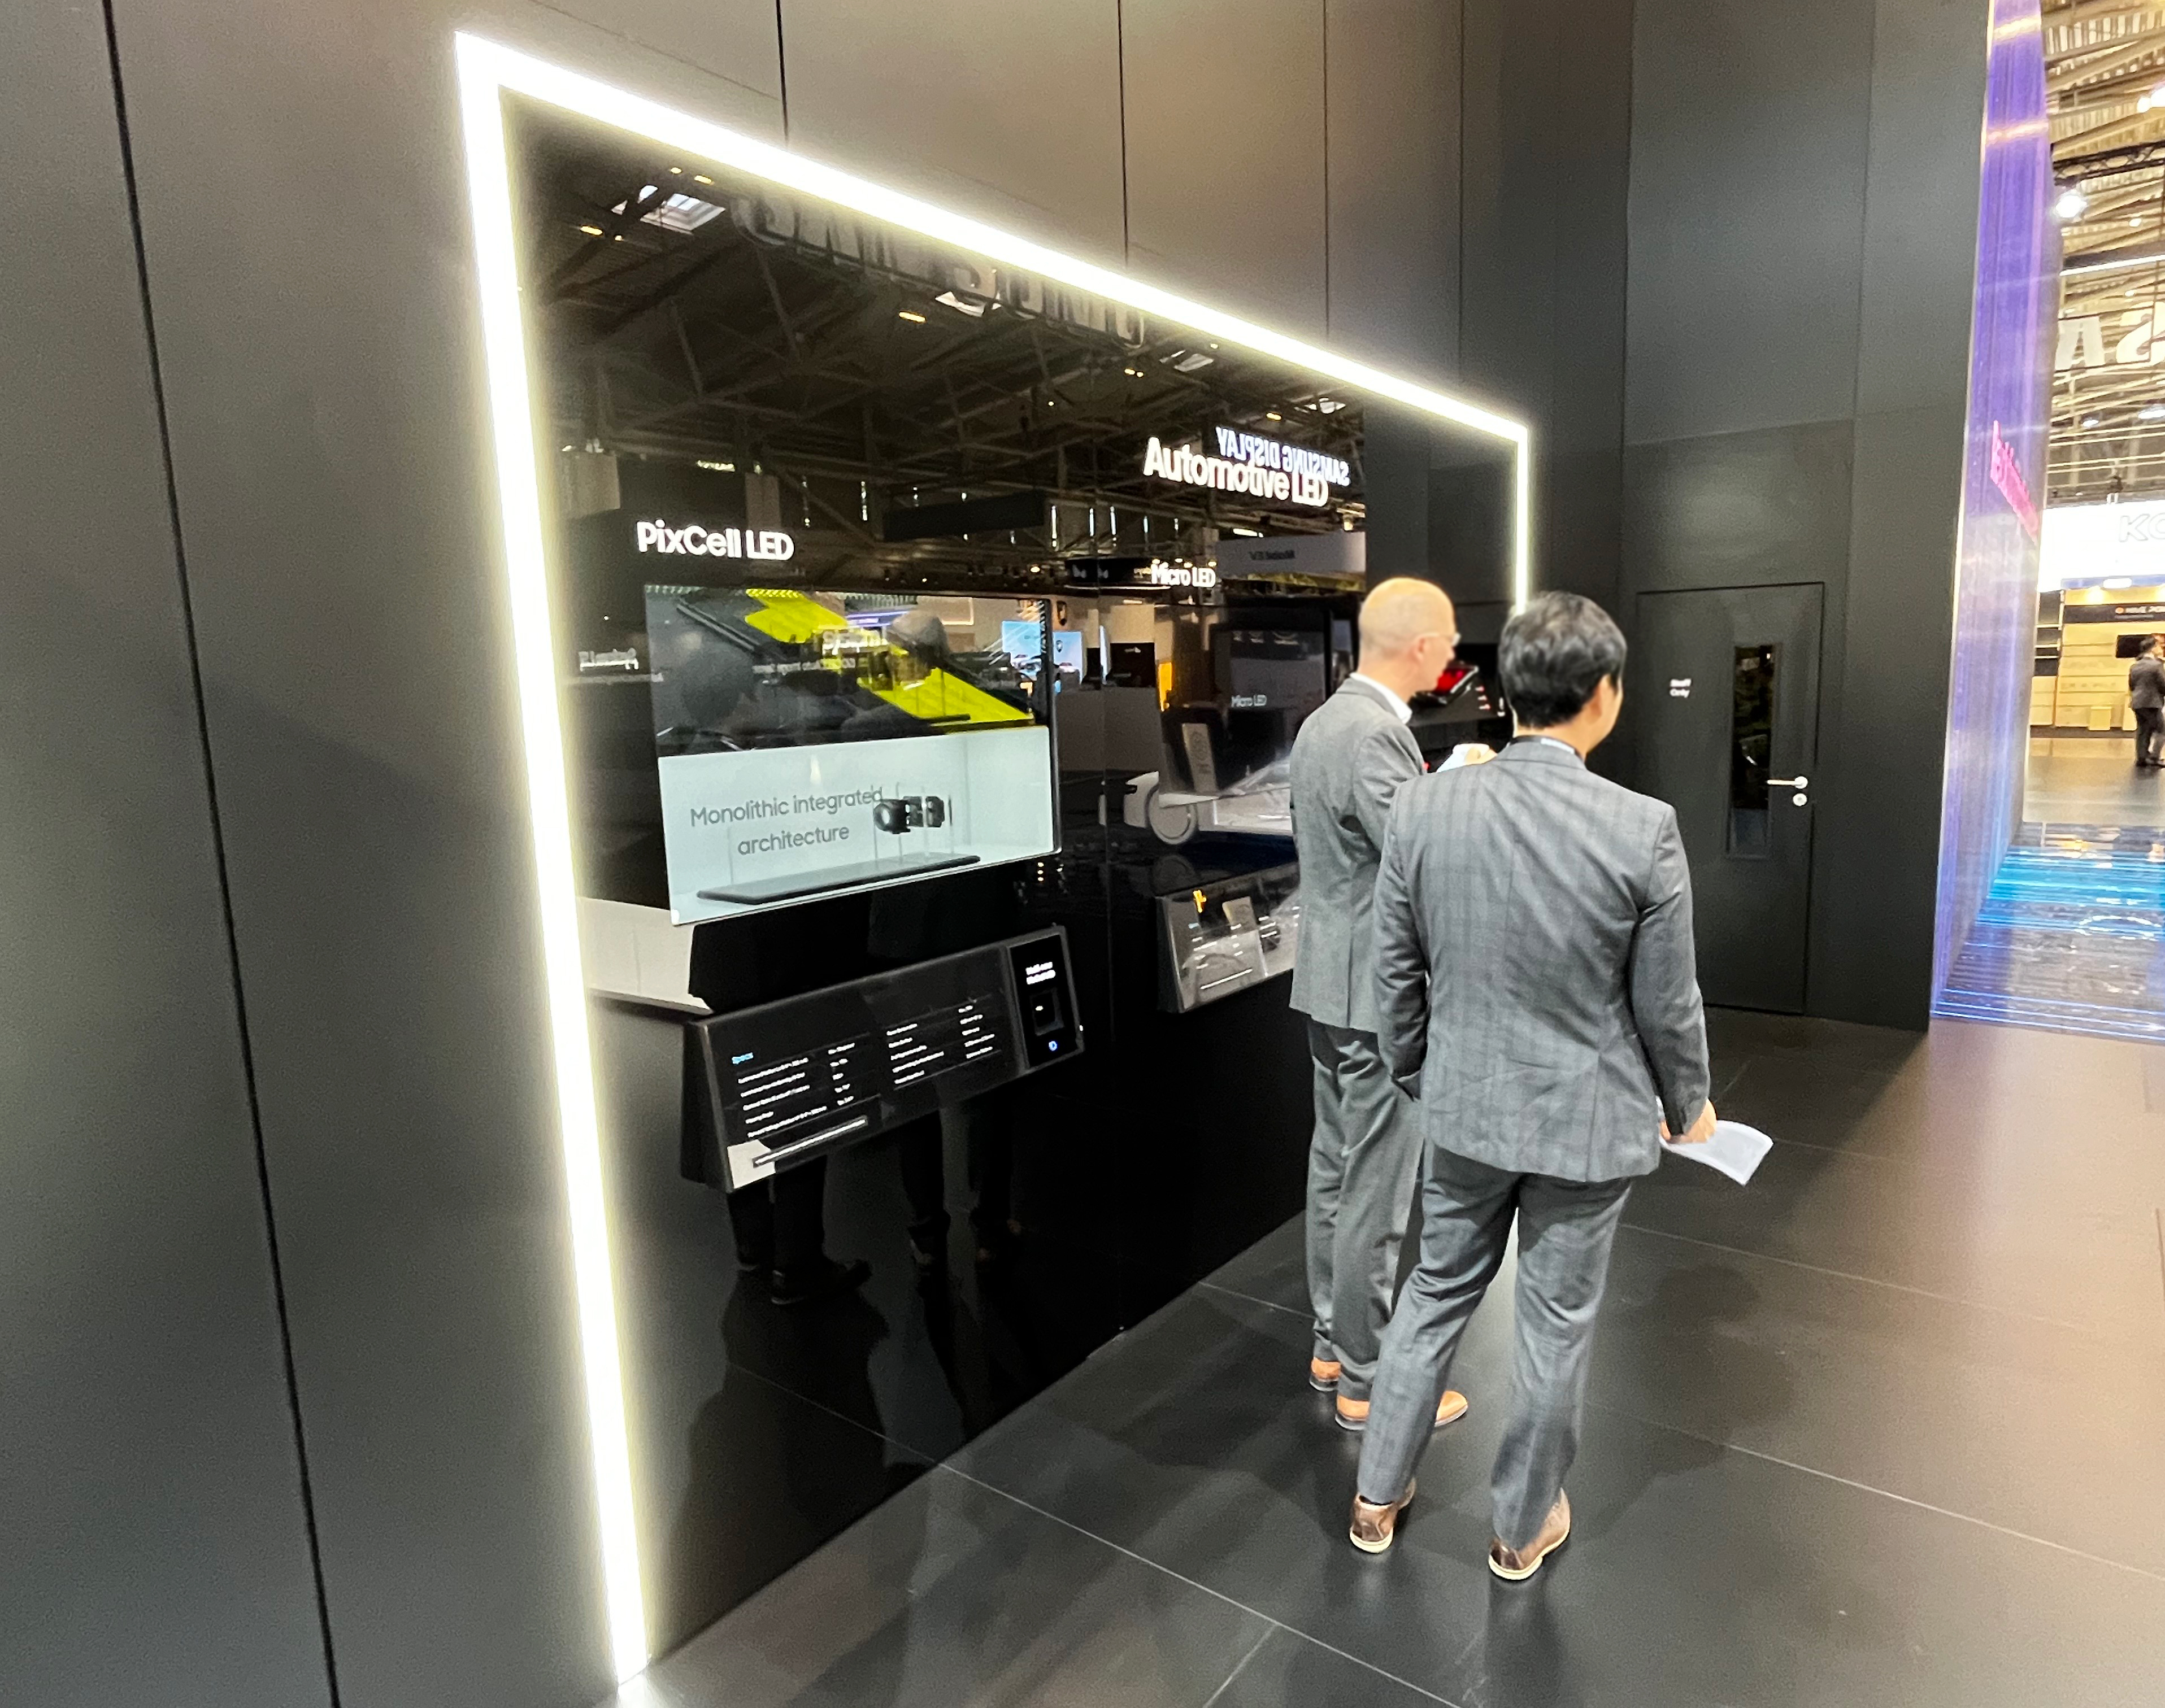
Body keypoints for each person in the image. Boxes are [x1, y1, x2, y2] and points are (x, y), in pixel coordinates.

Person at [1347, 590, 1715, 1580]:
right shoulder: (1642, 827)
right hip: (1585, 1127)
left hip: (1462, 1108)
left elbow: (1395, 972)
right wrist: (1688, 1104)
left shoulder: (1424, 805)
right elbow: (1667, 1001)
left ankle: (1375, 1497)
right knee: (1555, 1327)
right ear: (1604, 695)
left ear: (1508, 691)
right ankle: (1518, 1528)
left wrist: (1420, 1072)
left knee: (1431, 1293)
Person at [1289, 576, 1475, 1433]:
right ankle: (1368, 1379)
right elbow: (1421, 857)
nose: (1455, 657)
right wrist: (1463, 786)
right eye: (1448, 641)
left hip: (1331, 983)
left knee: (1336, 1168)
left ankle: (1334, 1348)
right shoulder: (1372, 735)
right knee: (1377, 1189)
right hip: (1376, 999)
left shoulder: (1325, 723)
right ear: (1420, 646)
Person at [2132, 635, 2165, 769]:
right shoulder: (2157, 665)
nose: (2161, 650)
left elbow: (2132, 685)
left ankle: (2141, 758)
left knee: (2143, 730)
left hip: (2137, 702)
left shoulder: (2135, 666)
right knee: (2162, 730)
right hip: (2152, 702)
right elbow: (2163, 685)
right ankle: (2155, 758)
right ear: (2153, 648)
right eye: (2159, 647)